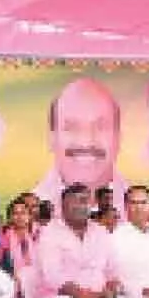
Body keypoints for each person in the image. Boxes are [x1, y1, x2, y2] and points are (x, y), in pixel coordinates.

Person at [36, 185, 148, 298]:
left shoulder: (100, 232)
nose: (80, 206)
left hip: (100, 295)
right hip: (59, 297)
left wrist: (111, 292)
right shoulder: (49, 233)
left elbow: (113, 269)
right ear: (63, 206)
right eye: (75, 202)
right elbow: (53, 275)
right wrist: (84, 296)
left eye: (85, 201)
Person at [34, 78, 127, 214]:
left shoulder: (147, 214)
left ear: (118, 138)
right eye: (71, 127)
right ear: (52, 138)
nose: (86, 141)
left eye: (100, 127)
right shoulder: (30, 213)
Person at [0, 194, 41, 298]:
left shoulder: (39, 233)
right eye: (15, 213)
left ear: (29, 216)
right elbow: (0, 264)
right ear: (10, 217)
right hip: (14, 280)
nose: (19, 217)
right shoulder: (4, 236)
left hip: (39, 281)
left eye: (23, 213)